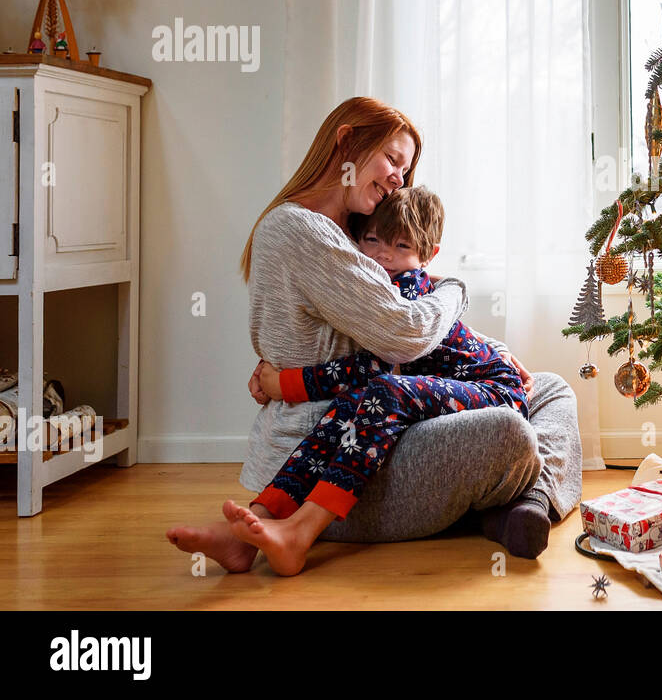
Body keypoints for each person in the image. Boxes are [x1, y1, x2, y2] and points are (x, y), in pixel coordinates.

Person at [166, 97, 581, 572]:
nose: (398, 178)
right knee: (509, 431)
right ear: (346, 140)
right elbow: (404, 335)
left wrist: (496, 352)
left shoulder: (354, 231)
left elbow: (415, 329)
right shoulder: (303, 231)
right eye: (392, 160)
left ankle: (522, 507)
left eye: (405, 170)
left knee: (549, 387)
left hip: (374, 424)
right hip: (346, 460)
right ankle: (520, 504)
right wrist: (454, 287)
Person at [229, 187, 528, 575]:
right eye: (372, 239)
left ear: (428, 255)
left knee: (384, 390)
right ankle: (262, 515)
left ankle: (299, 534)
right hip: (452, 389)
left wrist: (287, 385)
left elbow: (373, 367)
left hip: (496, 391)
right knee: (346, 409)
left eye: (401, 244)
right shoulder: (366, 277)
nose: (383, 254)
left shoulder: (408, 286)